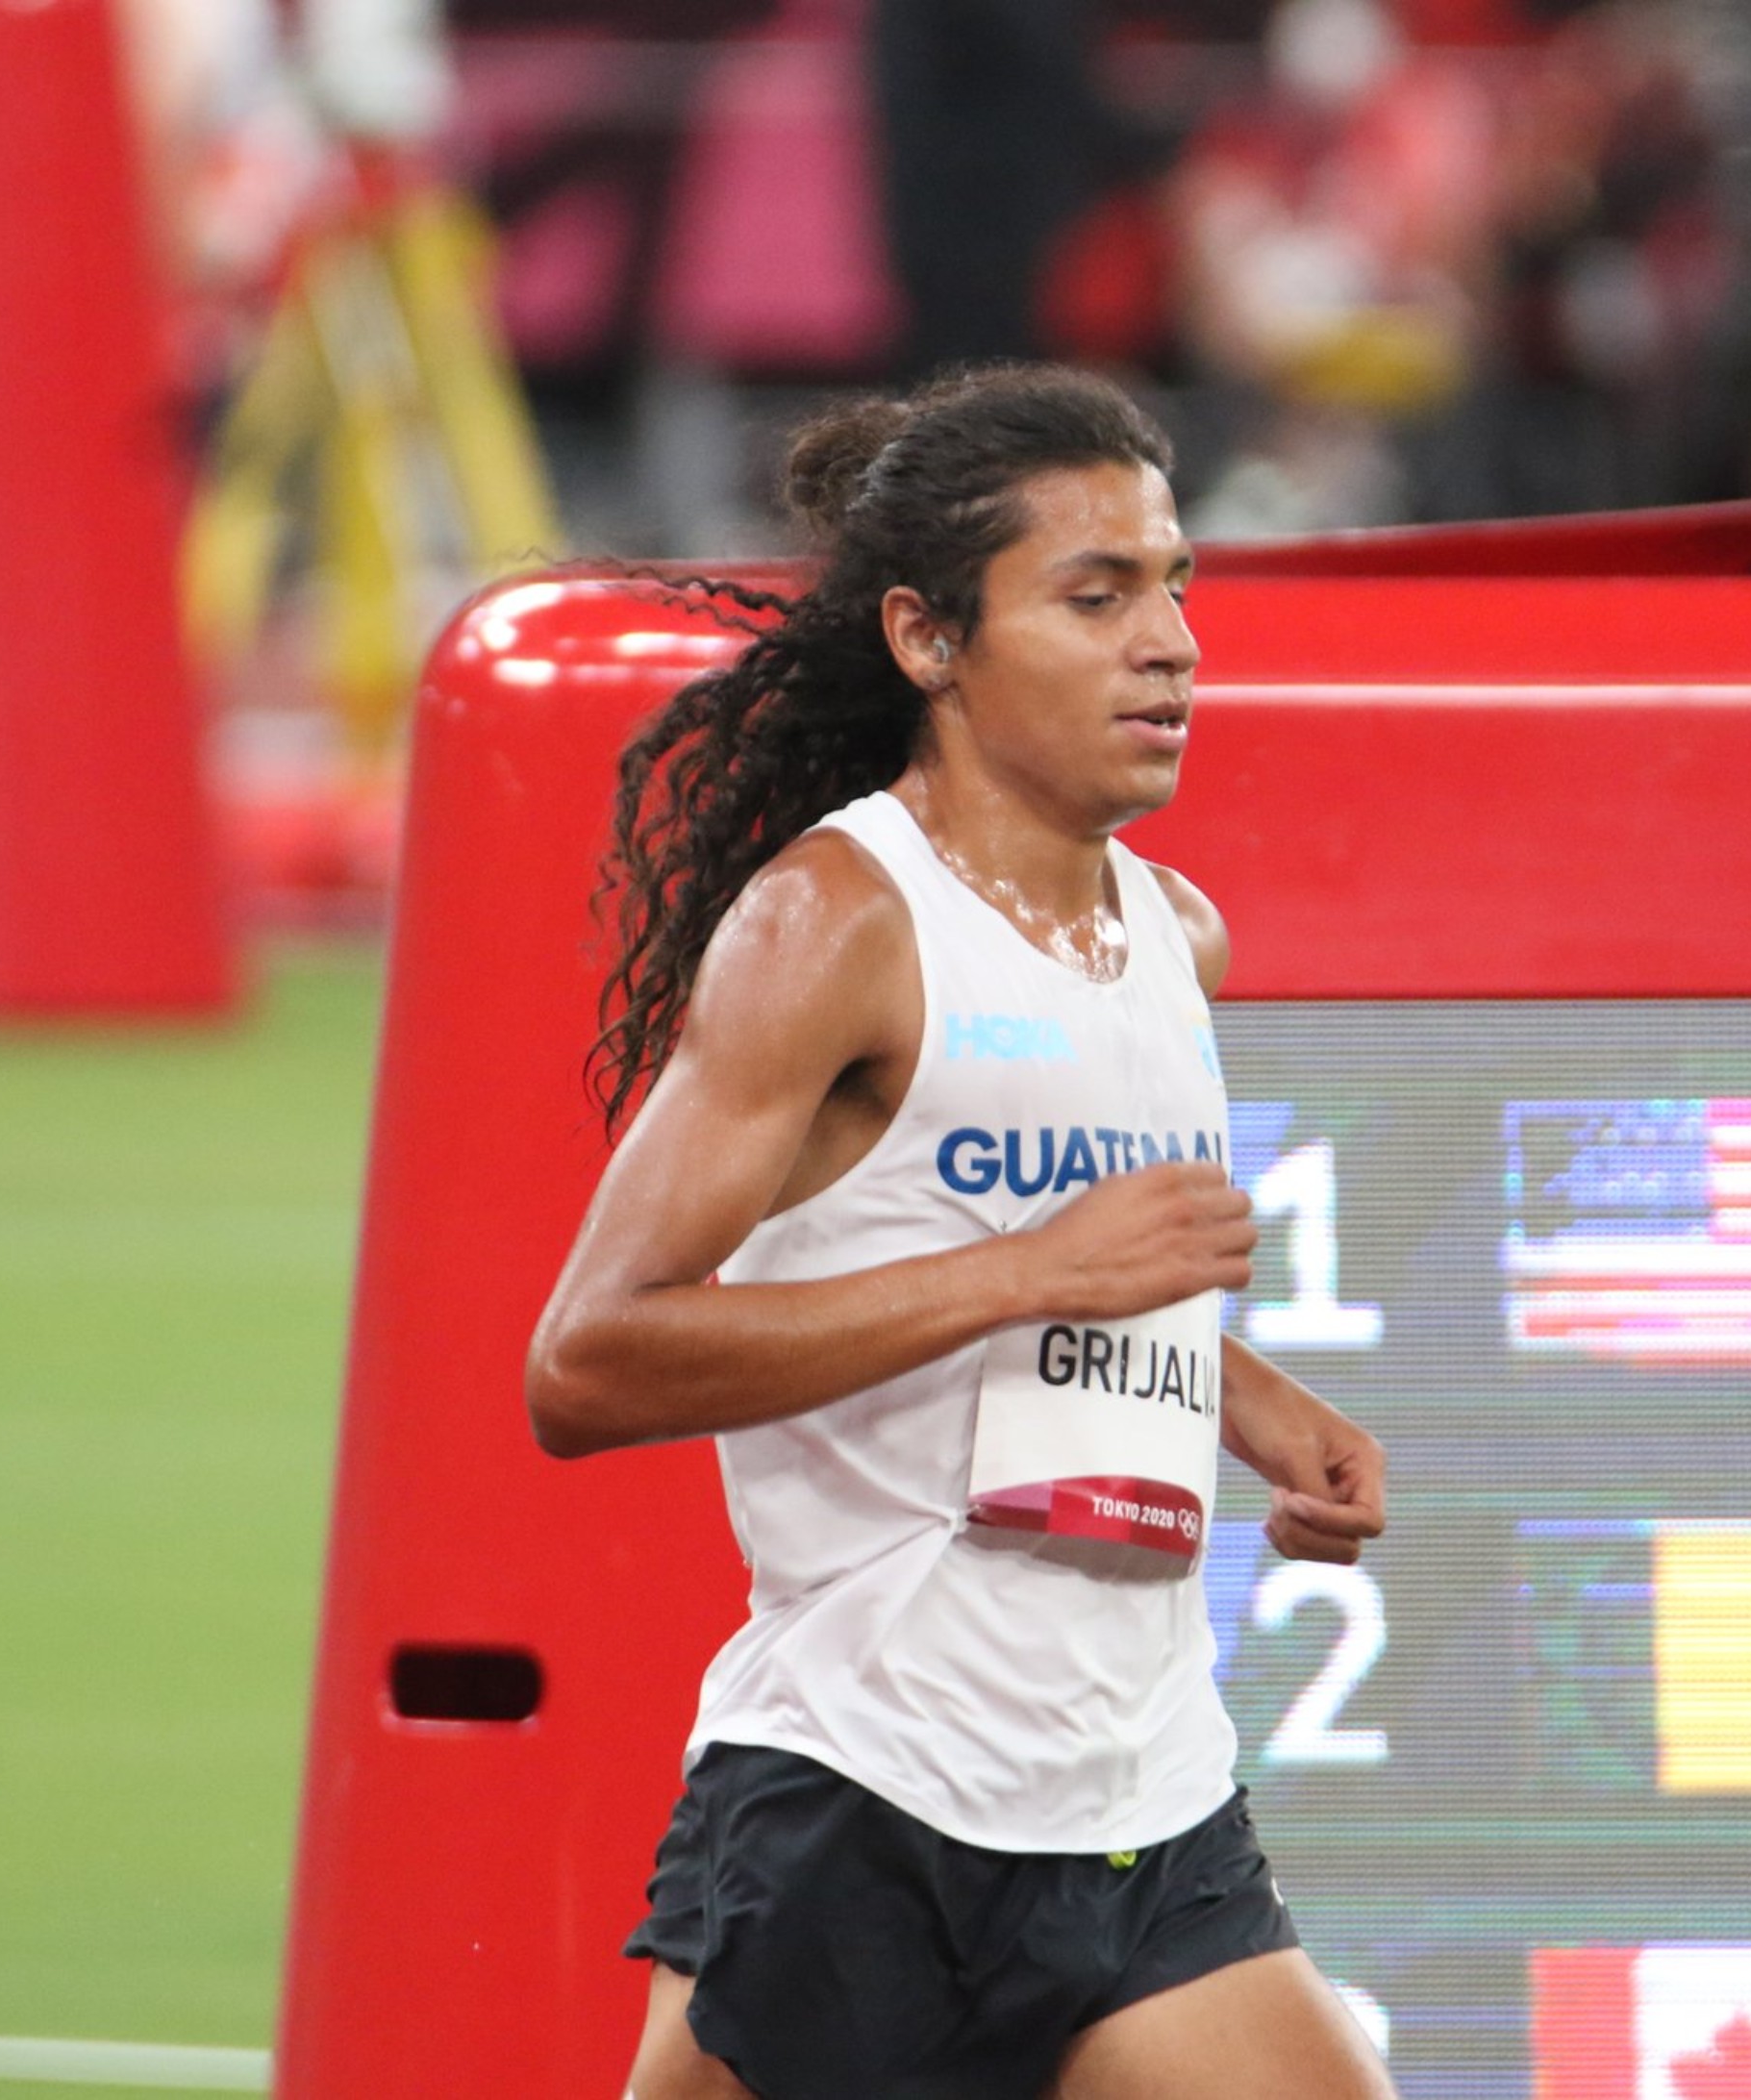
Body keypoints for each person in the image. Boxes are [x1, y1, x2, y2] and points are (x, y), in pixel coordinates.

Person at [524, 365, 1397, 2100]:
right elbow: (589, 1360)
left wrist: (1243, 1397)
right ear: (929, 639)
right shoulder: (835, 922)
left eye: (1175, 589)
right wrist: (1037, 1275)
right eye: (1097, 598)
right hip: (873, 1790)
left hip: (1139, 1792)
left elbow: (1019, 1235)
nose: (1171, 648)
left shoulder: (1176, 935)